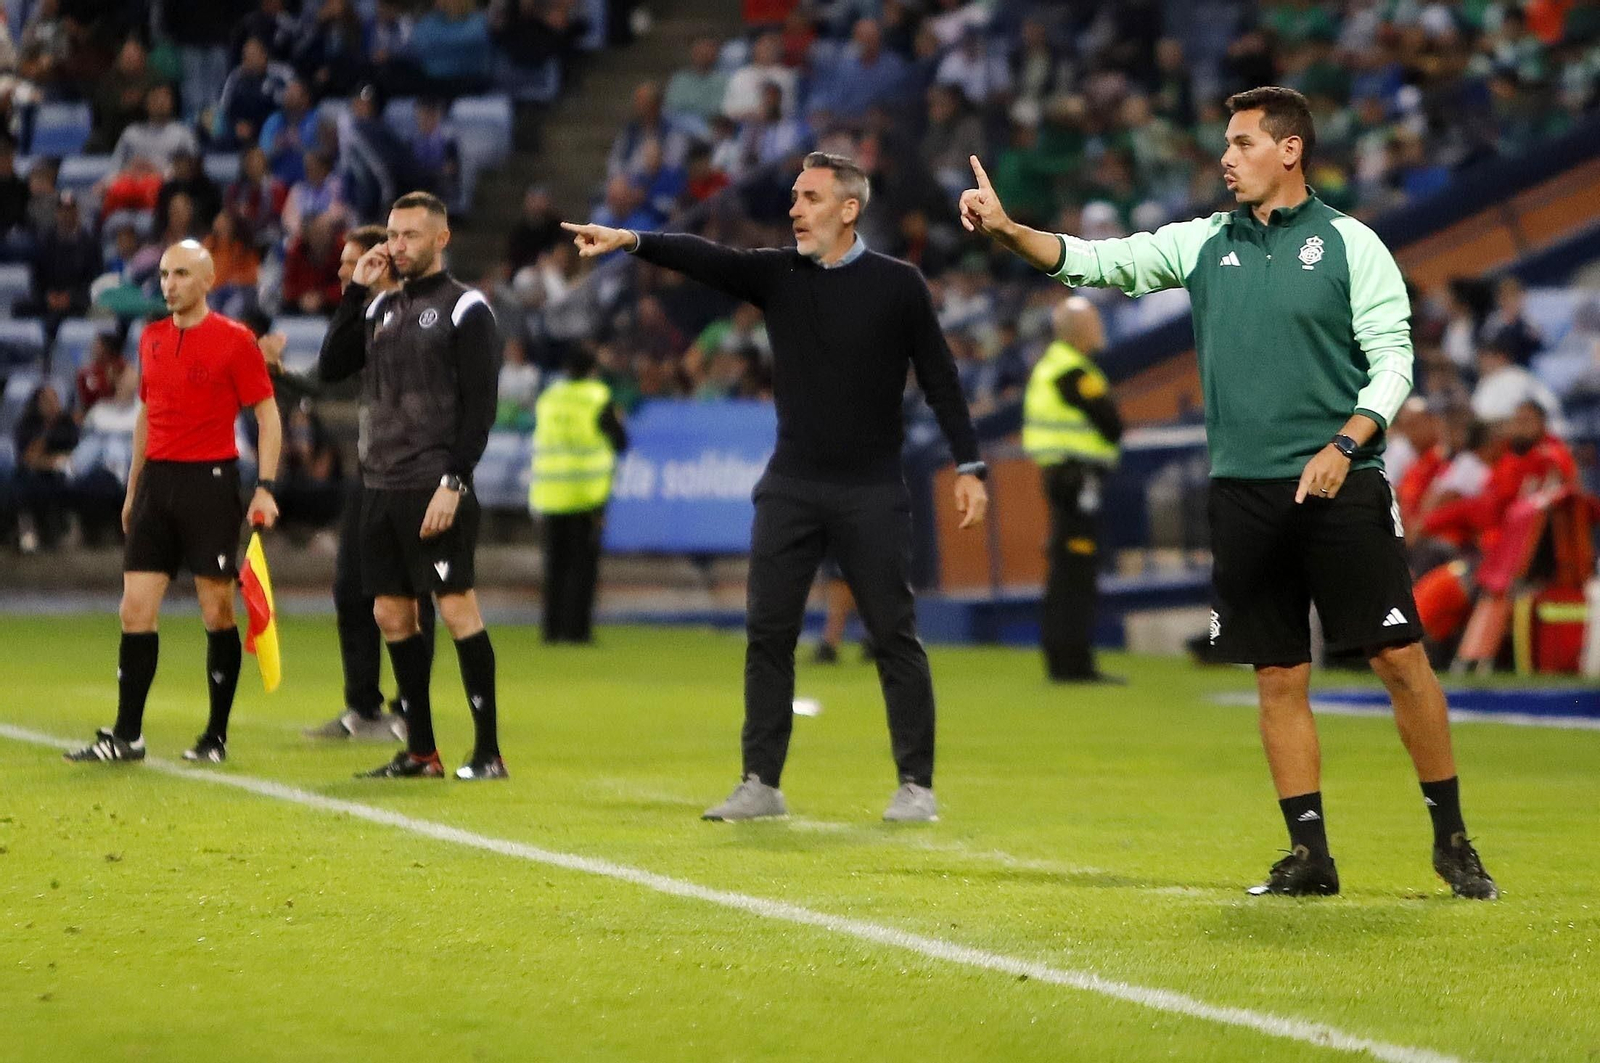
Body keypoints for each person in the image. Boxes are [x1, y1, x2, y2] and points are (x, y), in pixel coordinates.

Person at [961, 85, 1497, 900]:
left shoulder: (1355, 246)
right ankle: (1309, 852)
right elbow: (1101, 260)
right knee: (1277, 672)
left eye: (1242, 143)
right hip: (1244, 493)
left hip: (1342, 479)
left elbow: (1394, 361)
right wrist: (1008, 233)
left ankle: (1452, 836)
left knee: (1397, 657)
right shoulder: (1204, 241)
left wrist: (1345, 441)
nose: (1226, 158)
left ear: (1290, 150)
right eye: (1226, 144)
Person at [562, 151, 988, 824]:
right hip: (790, 484)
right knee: (768, 633)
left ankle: (916, 785)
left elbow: (941, 379)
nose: (795, 208)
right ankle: (760, 781)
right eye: (794, 196)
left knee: (893, 635)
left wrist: (969, 468)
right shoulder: (778, 275)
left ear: (849, 209)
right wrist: (631, 241)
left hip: (872, 488)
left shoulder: (898, 285)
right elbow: (705, 256)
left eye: (811, 197)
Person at [64, 240, 281, 766]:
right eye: (163, 274)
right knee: (134, 609)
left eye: (181, 274)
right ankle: (127, 735)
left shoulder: (235, 340)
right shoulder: (151, 337)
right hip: (157, 486)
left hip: (210, 483)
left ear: (207, 281)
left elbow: (268, 417)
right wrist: (134, 488)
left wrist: (266, 486)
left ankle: (215, 735)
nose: (169, 284)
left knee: (216, 610)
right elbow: (145, 413)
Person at [319, 192, 504, 781]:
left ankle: (488, 752)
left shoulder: (466, 308)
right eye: (392, 236)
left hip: (434, 485)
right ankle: (421, 750)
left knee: (456, 611)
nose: (397, 246)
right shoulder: (379, 309)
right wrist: (355, 292)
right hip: (380, 486)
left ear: (440, 239)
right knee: (393, 617)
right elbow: (330, 367)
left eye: (409, 236)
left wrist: (455, 481)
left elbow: (480, 408)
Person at [1024, 295, 1123, 683]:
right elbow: (1111, 424)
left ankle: (1064, 659)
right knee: (1076, 571)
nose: (1100, 330)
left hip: (1063, 477)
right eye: (1095, 323)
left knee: (1066, 568)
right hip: (1076, 479)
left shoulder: (1053, 366)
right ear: (1080, 330)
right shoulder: (1071, 371)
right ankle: (1073, 663)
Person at [529, 348, 628, 644]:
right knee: (581, 567)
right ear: (592, 370)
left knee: (554, 566)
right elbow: (620, 441)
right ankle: (577, 631)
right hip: (586, 495)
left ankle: (551, 629)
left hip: (551, 494)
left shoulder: (549, 398)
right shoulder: (597, 397)